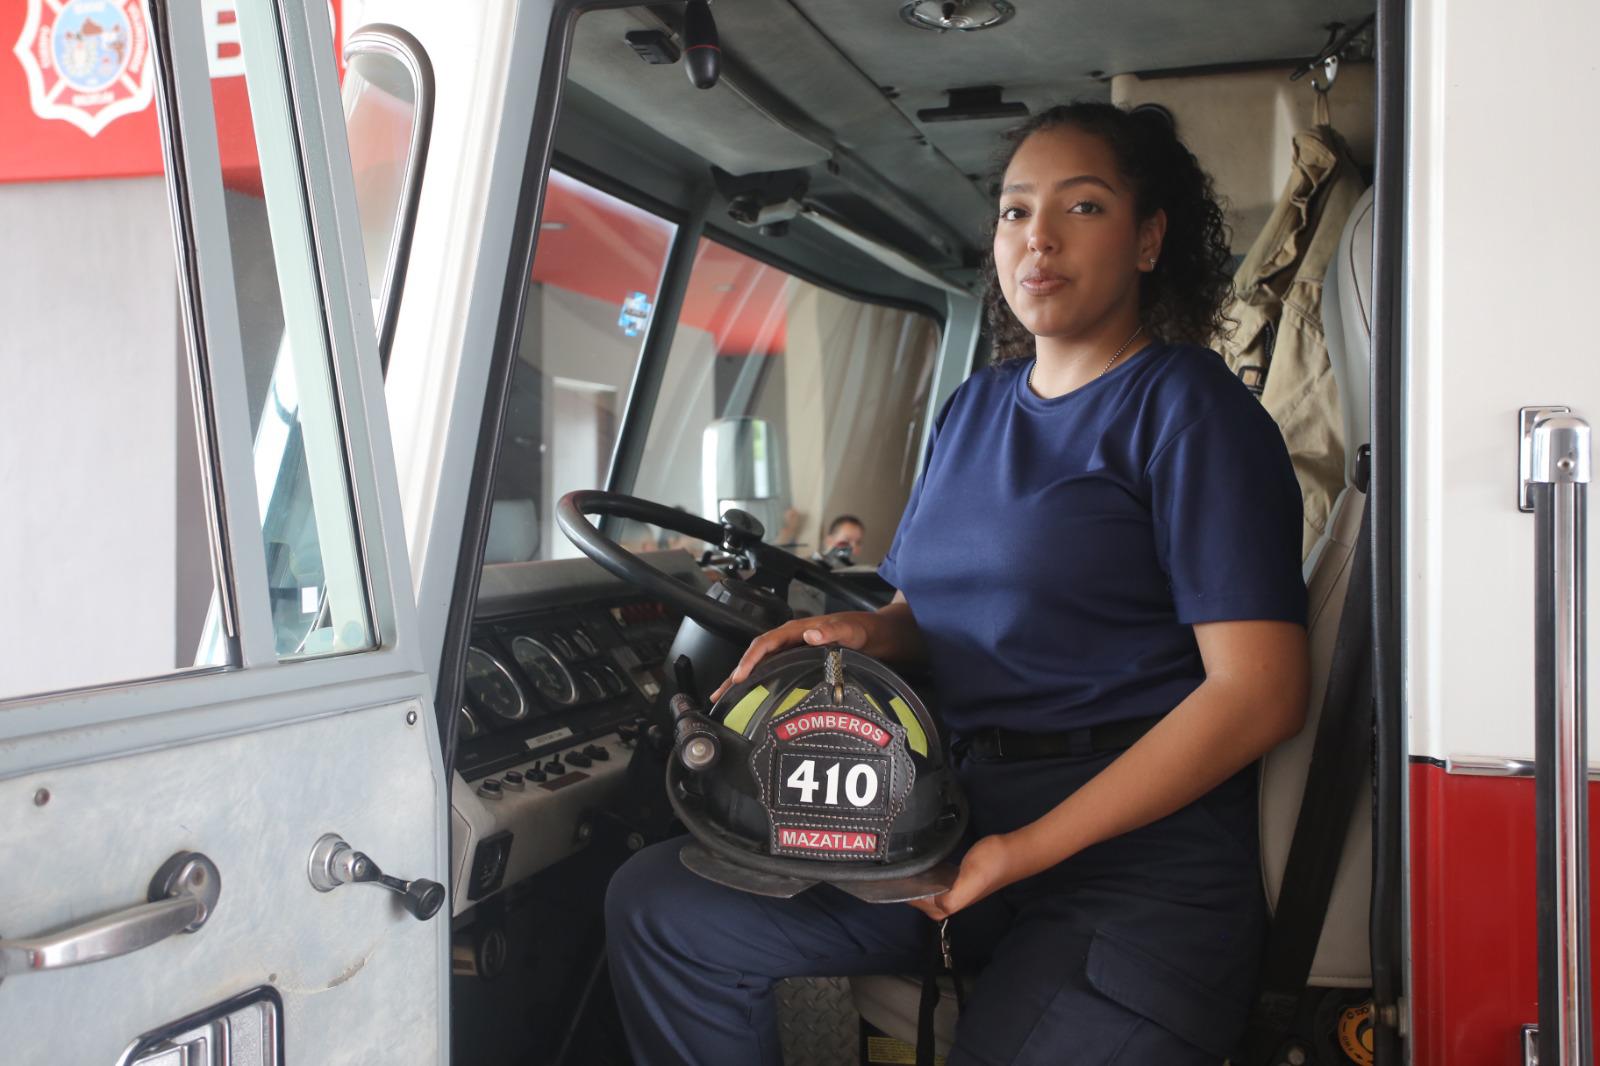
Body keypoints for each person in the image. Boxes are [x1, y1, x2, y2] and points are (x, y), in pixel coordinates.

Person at [605, 102, 1309, 1065]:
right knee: (665, 908)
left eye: (1084, 207)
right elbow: (927, 612)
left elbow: (1260, 693)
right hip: (957, 815)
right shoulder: (975, 407)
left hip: (1135, 867)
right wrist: (869, 637)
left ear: (1150, 240)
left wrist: (1027, 850)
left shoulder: (1188, 410)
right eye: (1016, 211)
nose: (1040, 239)